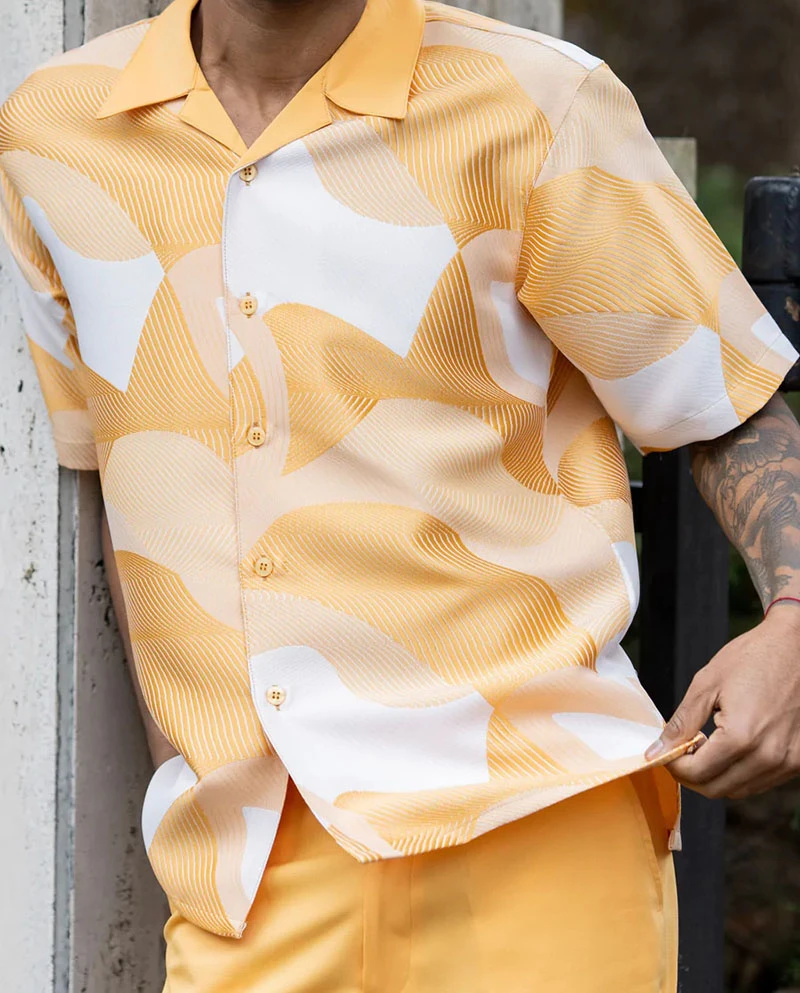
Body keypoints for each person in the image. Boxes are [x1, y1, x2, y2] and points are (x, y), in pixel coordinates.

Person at [1, 0, 799, 989]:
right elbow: (130, 490)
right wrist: (195, 772)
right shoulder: (53, 133)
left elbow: (723, 402)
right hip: (249, 879)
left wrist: (791, 622)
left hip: (539, 828)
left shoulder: (536, 104)